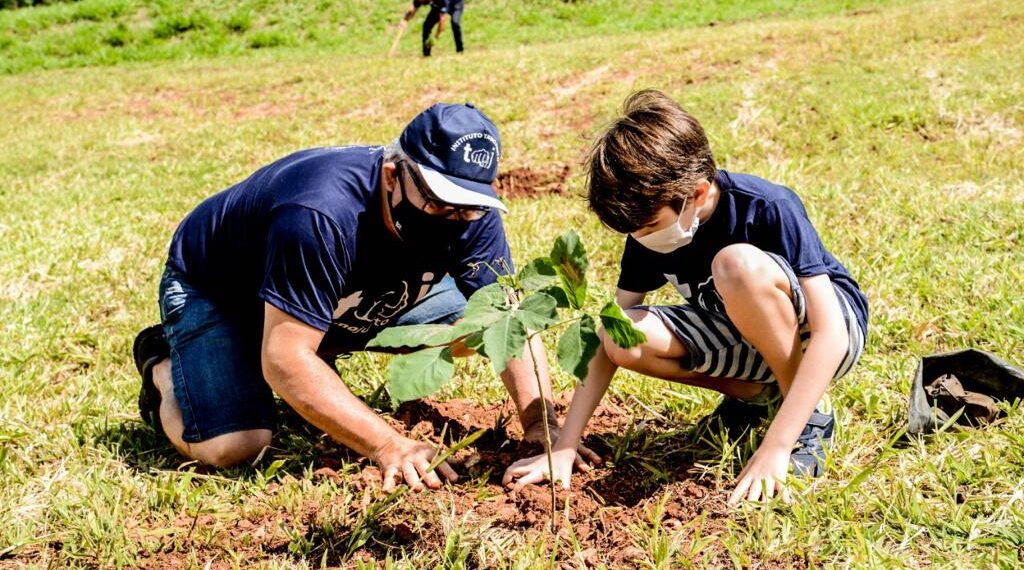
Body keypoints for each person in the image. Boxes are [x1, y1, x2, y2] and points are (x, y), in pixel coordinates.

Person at [132, 102, 598, 492]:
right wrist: (388, 444)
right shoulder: (319, 214)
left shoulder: (471, 214)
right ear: (394, 175)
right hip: (221, 292)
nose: (453, 217)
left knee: (471, 323)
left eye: (467, 205)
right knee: (233, 445)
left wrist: (543, 426)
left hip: (340, 292)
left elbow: (507, 318)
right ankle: (165, 367)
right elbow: (283, 361)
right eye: (437, 201)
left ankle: (317, 336)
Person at [502, 90, 868, 504]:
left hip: (826, 335)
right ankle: (753, 397)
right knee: (620, 335)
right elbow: (613, 330)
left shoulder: (766, 206)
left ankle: (804, 420)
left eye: (648, 225)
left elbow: (832, 334)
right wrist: (566, 444)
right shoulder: (648, 234)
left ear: (695, 193)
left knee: (736, 266)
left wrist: (777, 446)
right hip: (744, 338)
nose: (641, 239)